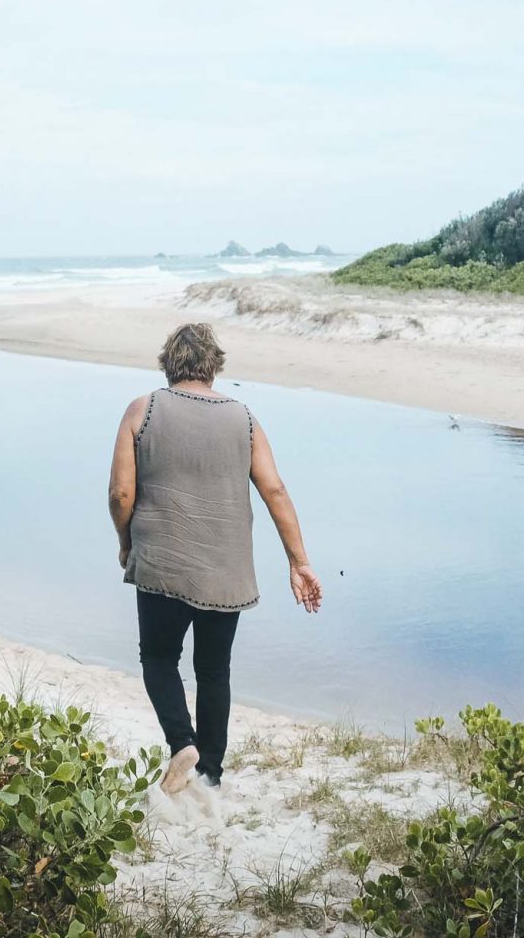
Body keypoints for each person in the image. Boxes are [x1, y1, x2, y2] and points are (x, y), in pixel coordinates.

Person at [107, 322, 322, 793]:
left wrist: (126, 541)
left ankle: (182, 741)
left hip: (161, 562)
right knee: (213, 670)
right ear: (213, 365)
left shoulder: (141, 411)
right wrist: (298, 560)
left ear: (169, 363)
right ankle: (210, 776)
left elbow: (122, 492)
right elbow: (274, 489)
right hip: (227, 571)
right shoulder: (244, 419)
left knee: (159, 657)